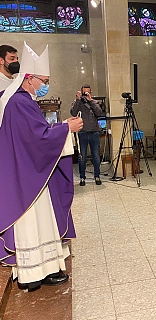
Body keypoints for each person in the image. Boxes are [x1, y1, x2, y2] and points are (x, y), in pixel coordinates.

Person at [0, 42, 83, 291]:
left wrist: (61, 127)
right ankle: (32, 274)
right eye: (43, 80)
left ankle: (44, 269)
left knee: (42, 222)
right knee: (32, 223)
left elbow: (39, 133)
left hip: (33, 174)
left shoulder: (24, 100)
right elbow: (37, 139)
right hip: (27, 176)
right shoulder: (18, 102)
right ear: (29, 78)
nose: (46, 84)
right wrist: (66, 128)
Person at [70, 84, 103, 186]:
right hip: (82, 132)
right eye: (84, 92)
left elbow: (99, 113)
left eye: (88, 92)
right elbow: (73, 113)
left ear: (91, 92)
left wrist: (91, 101)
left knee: (96, 156)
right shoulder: (78, 102)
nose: (86, 94)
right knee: (82, 157)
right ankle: (82, 177)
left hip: (94, 132)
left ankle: (97, 176)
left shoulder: (94, 102)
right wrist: (78, 100)